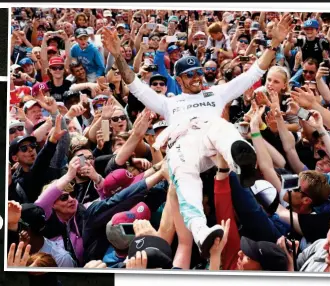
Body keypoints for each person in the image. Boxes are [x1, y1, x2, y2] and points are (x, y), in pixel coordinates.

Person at [101, 14, 293, 258]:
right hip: (187, 153)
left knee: (219, 129)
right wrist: (118, 56)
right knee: (183, 172)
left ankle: (242, 165)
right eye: (190, 75)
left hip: (217, 158)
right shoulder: (169, 104)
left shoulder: (215, 94)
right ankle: (201, 232)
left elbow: (253, 74)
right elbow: (134, 84)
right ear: (178, 80)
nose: (196, 78)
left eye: (198, 72)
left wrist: (274, 44)